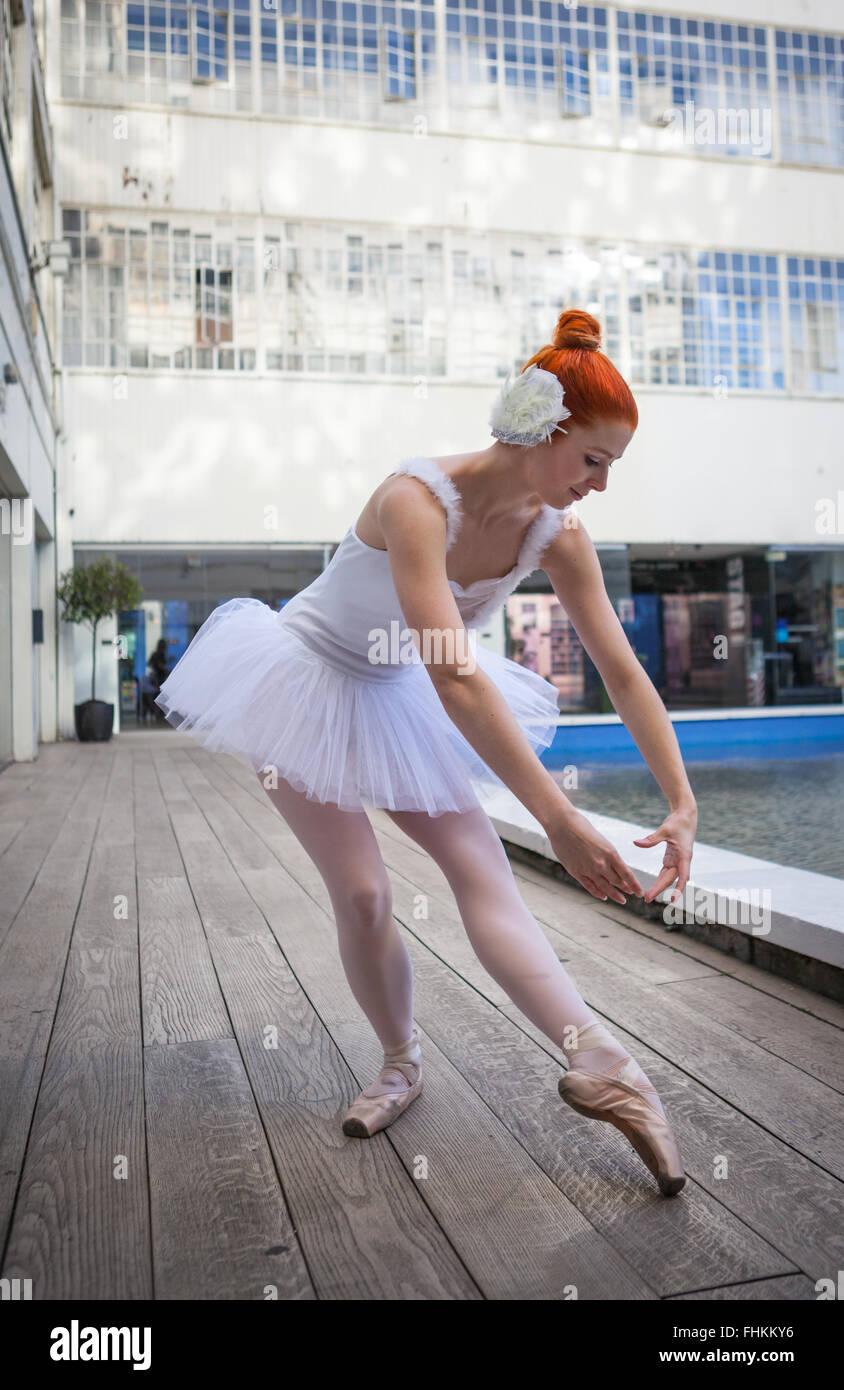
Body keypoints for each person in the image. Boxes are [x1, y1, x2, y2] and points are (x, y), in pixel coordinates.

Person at [155, 309, 697, 1198]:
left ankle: (608, 1067)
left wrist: (681, 800)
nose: (600, 485)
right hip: (304, 680)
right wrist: (557, 818)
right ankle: (400, 1062)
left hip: (397, 689)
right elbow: (456, 676)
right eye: (592, 460)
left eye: (612, 468)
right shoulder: (415, 499)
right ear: (541, 429)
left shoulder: (556, 536)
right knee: (365, 892)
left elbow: (625, 673)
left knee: (484, 876)